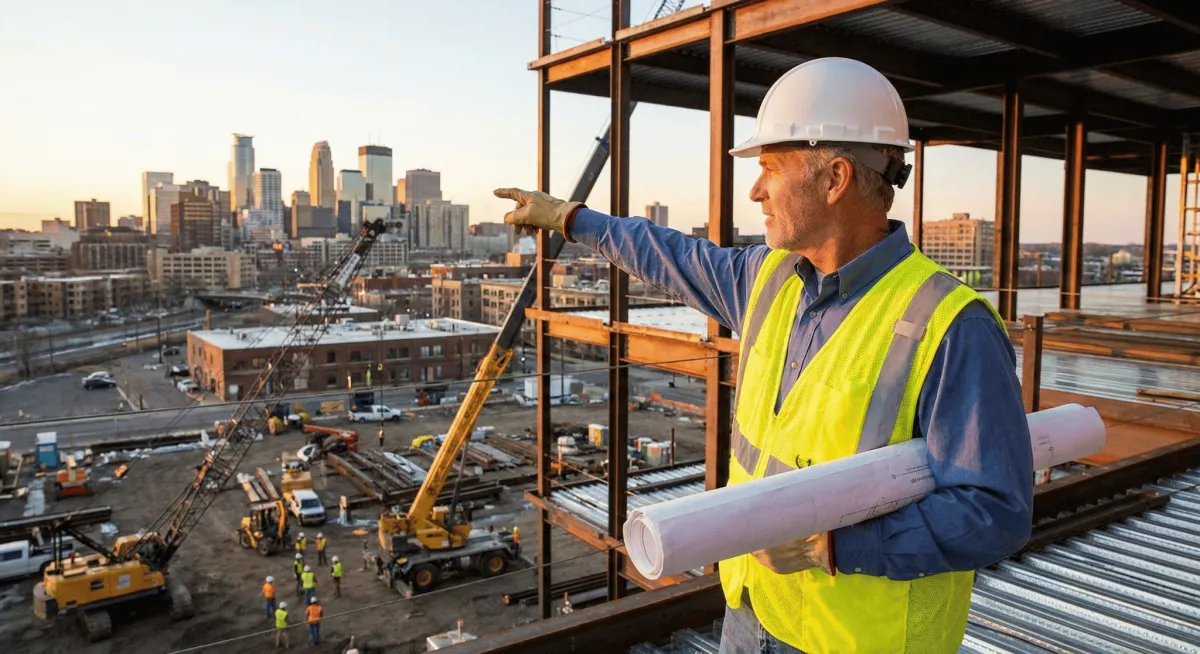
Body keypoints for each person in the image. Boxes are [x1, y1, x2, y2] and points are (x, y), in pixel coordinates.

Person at [494, 56, 1034, 654]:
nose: (755, 190)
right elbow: (670, 255)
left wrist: (835, 546)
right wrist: (572, 219)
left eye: (770, 169)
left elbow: (994, 512)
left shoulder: (950, 325)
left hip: (853, 639)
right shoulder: (769, 280)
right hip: (753, 612)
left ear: (835, 178)